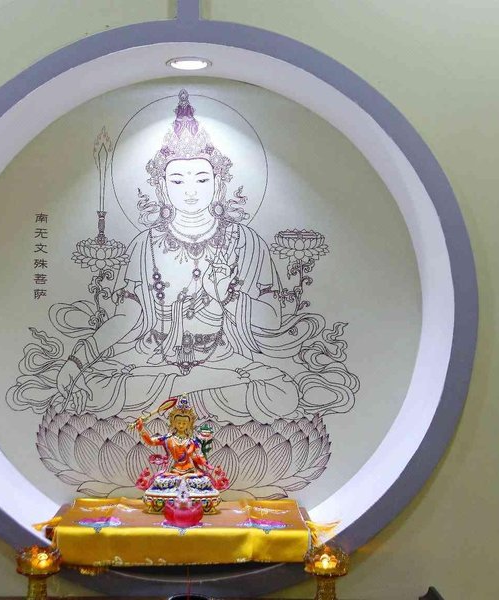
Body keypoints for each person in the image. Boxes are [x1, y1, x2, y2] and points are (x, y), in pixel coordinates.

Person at [53, 89, 335, 424]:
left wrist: (228, 298)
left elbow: (272, 320)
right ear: (162, 187)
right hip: (154, 361)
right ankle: (184, 390)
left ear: (218, 183)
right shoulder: (146, 245)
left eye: (201, 178)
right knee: (98, 386)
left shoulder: (245, 242)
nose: (190, 190)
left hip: (225, 363)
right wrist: (78, 360)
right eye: (177, 180)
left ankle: (181, 393)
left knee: (279, 391)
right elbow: (127, 318)